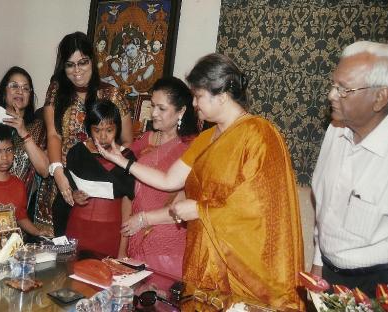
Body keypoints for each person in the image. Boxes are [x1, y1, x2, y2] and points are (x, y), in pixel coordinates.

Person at [98, 53, 304, 311]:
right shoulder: (207, 138)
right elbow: (169, 179)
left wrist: (199, 209)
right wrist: (122, 161)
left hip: (242, 260)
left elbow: (261, 208)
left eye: (199, 96)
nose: (194, 103)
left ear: (222, 93)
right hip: (203, 254)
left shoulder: (258, 134)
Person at [311, 41, 388, 296]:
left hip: (376, 286)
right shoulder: (335, 132)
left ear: (380, 97)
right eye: (334, 85)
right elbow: (323, 207)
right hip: (329, 275)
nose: (331, 95)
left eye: (344, 89)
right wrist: (317, 264)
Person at [43, 31, 132, 236]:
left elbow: (127, 142)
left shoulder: (112, 94)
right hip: (62, 183)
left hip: (99, 188)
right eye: (70, 64)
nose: (77, 71)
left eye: (82, 62)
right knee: (59, 254)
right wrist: (58, 172)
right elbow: (53, 134)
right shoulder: (56, 91)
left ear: (93, 61)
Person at [119, 77, 199, 281]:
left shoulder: (192, 148)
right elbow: (126, 189)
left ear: (181, 111)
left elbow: (182, 207)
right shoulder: (145, 140)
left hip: (168, 246)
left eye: (161, 108)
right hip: (135, 241)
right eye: (153, 106)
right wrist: (123, 245)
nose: (153, 113)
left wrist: (143, 219)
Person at [65, 99, 135, 257]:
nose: (103, 136)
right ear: (89, 129)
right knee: (73, 275)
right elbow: (67, 189)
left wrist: (123, 248)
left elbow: (127, 203)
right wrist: (74, 196)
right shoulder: (76, 153)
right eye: (97, 130)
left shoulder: (127, 157)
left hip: (111, 231)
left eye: (109, 130)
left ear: (117, 128)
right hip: (78, 227)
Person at [0, 124, 44, 245]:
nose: (5, 157)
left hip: (9, 249)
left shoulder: (18, 184)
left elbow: (20, 216)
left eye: (9, 150)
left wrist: (37, 233)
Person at [0, 66, 49, 201]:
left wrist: (24, 132)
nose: (20, 91)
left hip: (17, 206)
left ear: (30, 95)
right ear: (4, 91)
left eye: (25, 88)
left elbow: (45, 170)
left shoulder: (38, 127)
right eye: (14, 86)